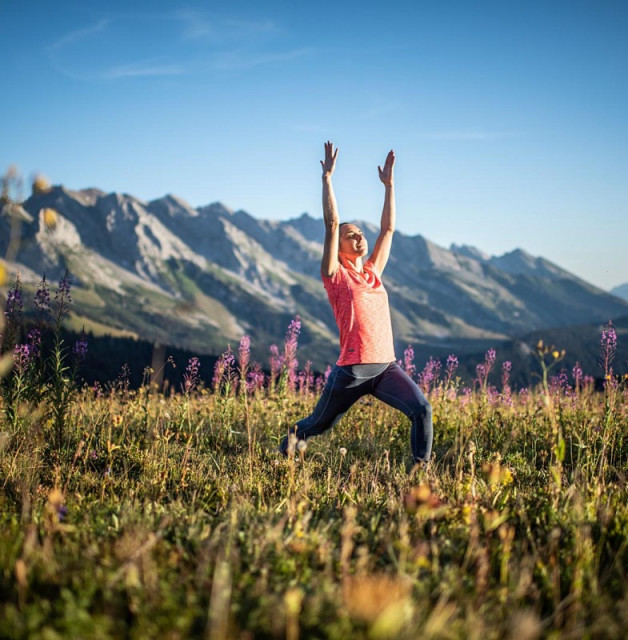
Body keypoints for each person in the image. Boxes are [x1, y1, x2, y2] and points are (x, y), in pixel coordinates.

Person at [279, 141, 433, 466]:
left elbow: (388, 229)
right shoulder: (334, 275)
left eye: (361, 233)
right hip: (351, 372)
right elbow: (332, 224)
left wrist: (390, 186)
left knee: (422, 410)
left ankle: (421, 473)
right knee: (317, 425)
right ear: (339, 247)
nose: (359, 237)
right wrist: (327, 179)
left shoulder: (373, 272)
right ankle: (286, 451)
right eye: (352, 235)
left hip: (386, 367)